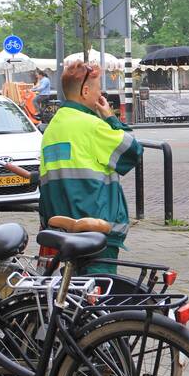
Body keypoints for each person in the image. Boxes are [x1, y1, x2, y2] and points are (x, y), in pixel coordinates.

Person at [39, 61, 143, 273]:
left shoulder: (52, 129)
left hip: (62, 229)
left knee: (72, 295)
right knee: (100, 294)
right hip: (95, 228)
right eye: (98, 89)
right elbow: (133, 151)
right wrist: (111, 117)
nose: (100, 95)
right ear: (86, 91)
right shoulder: (91, 125)